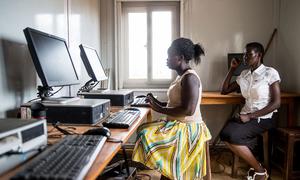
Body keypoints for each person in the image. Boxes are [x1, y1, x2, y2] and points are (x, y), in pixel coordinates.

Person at [132, 38, 211, 179]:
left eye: (169, 56)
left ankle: (169, 170)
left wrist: (157, 108)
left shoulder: (190, 78)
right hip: (178, 124)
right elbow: (173, 104)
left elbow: (188, 110)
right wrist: (154, 101)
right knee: (143, 129)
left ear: (180, 58)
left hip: (188, 129)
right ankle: (167, 171)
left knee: (145, 132)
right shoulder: (181, 77)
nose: (167, 59)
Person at [220, 42, 281, 180]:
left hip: (264, 118)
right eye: (244, 54)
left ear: (259, 55)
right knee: (224, 134)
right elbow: (224, 90)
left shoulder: (270, 73)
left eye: (249, 54)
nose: (245, 57)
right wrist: (232, 69)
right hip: (246, 116)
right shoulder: (245, 74)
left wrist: (250, 116)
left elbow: (276, 103)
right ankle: (259, 168)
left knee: (233, 136)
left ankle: (260, 172)